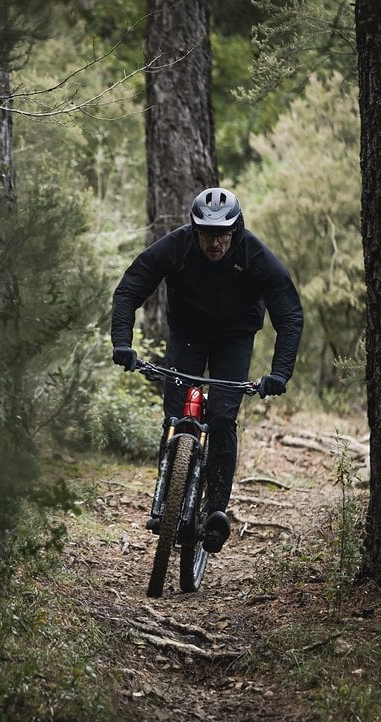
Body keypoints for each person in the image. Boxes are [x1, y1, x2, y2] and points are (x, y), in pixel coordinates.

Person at [110, 187, 303, 553]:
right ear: (194, 229)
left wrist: (280, 372)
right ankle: (167, 500)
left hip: (235, 338)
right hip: (188, 335)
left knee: (221, 418)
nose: (214, 243)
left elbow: (289, 313)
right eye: (206, 233)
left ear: (235, 230)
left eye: (223, 234)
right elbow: (130, 289)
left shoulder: (254, 254)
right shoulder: (177, 246)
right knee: (176, 415)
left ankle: (215, 511)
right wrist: (123, 342)